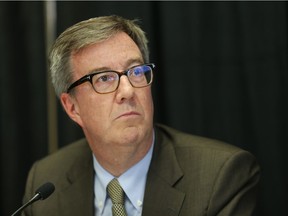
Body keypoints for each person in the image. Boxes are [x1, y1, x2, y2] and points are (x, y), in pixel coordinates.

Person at [22, 15, 260, 216]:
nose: (128, 91)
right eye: (104, 78)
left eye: (136, 71)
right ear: (72, 107)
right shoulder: (45, 182)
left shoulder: (219, 177)